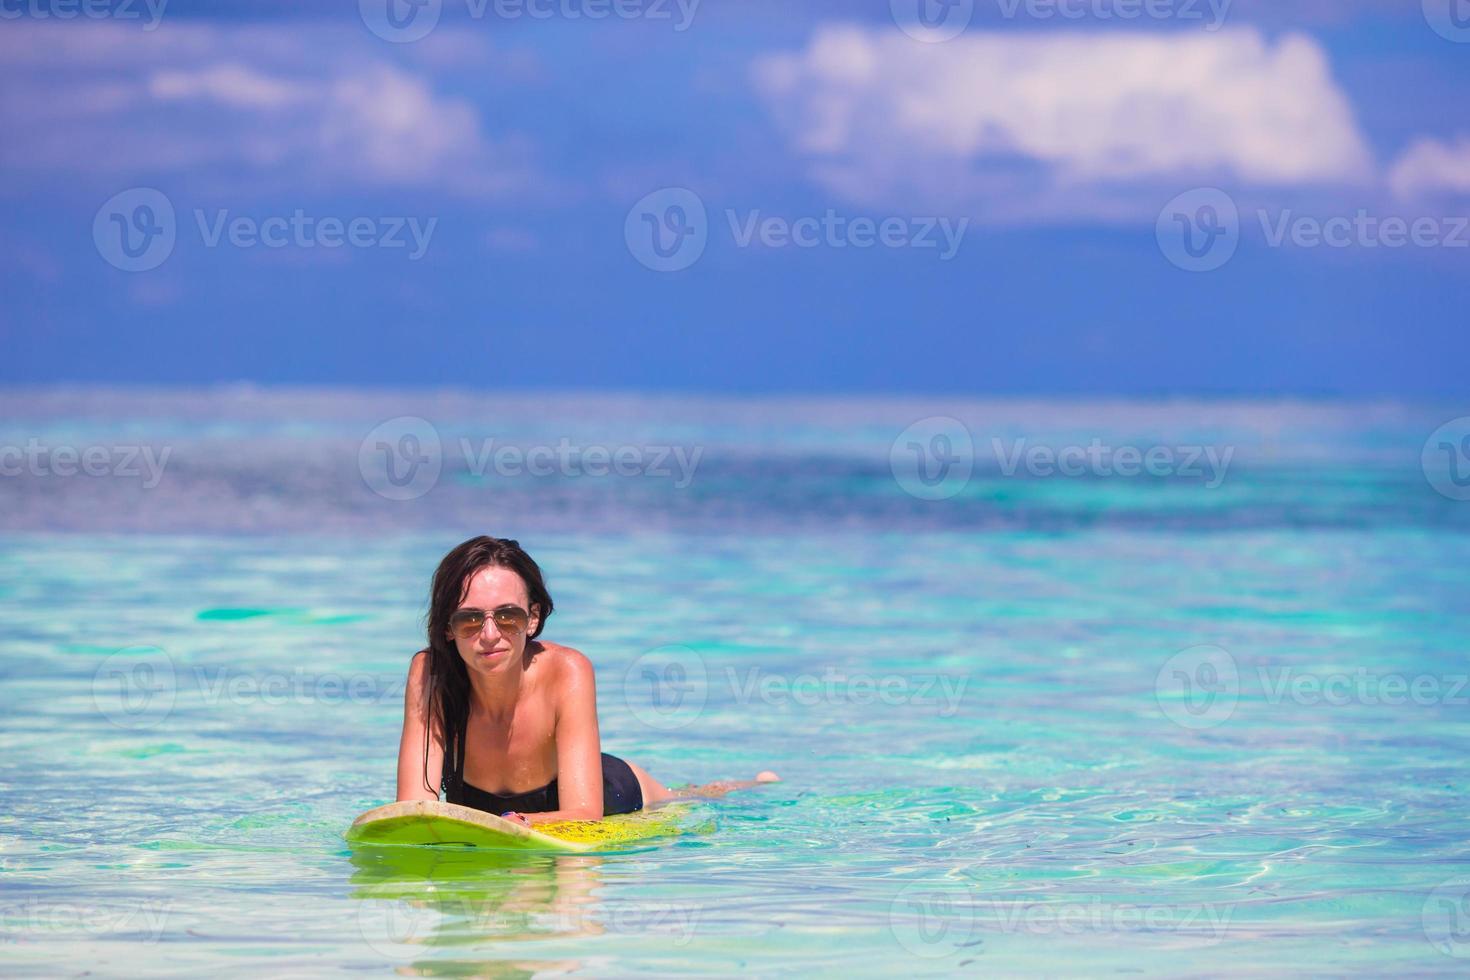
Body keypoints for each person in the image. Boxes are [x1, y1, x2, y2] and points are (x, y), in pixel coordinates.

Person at [396, 535, 778, 826]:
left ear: (533, 617)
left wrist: (516, 826)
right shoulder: (431, 674)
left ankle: (746, 786)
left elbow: (584, 813)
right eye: (470, 619)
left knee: (687, 801)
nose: (490, 634)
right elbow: (416, 805)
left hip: (606, 791)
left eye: (508, 617)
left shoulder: (568, 670)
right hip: (508, 821)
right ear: (447, 628)